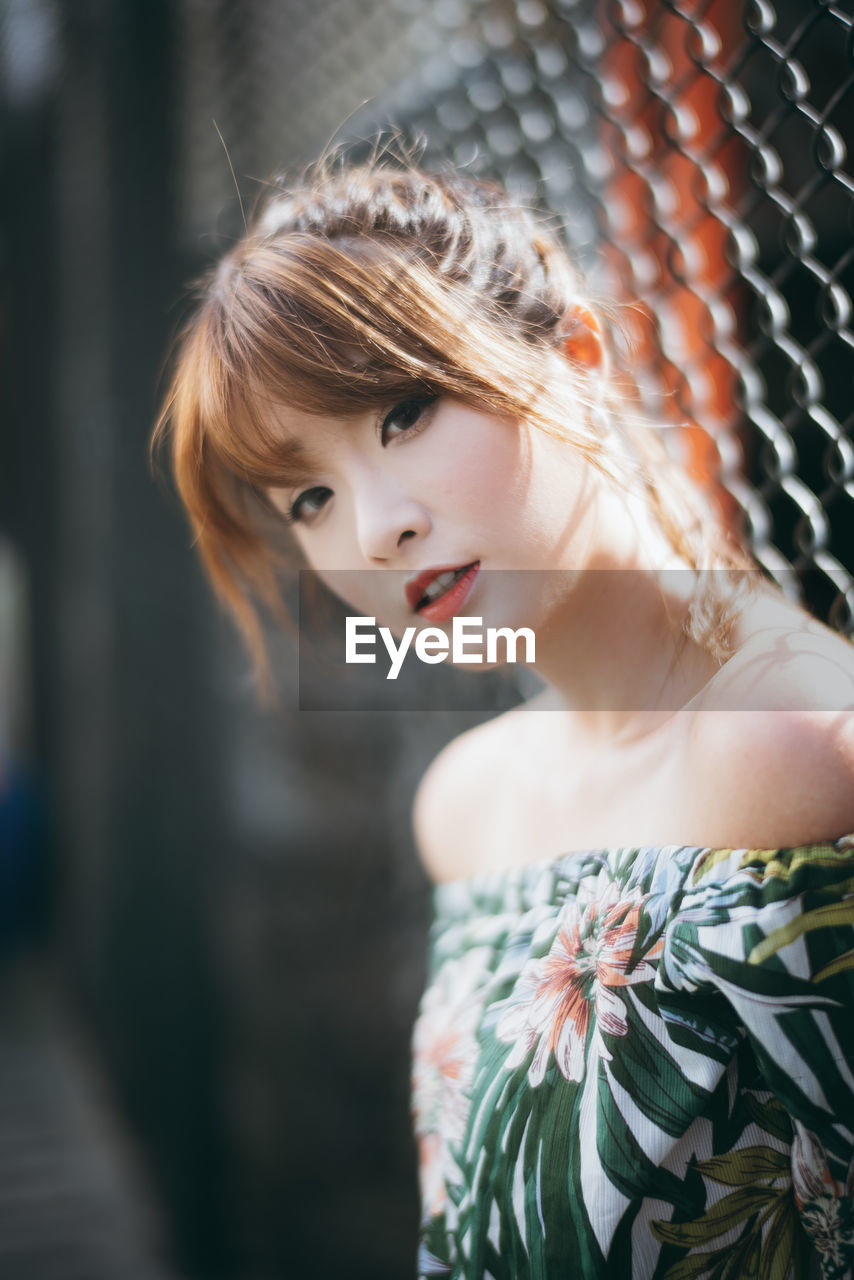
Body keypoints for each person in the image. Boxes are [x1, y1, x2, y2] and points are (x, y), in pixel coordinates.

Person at [152, 152, 854, 1278]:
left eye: (405, 411)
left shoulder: (792, 749)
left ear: (573, 355)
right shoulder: (466, 803)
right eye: (309, 498)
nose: (372, 531)